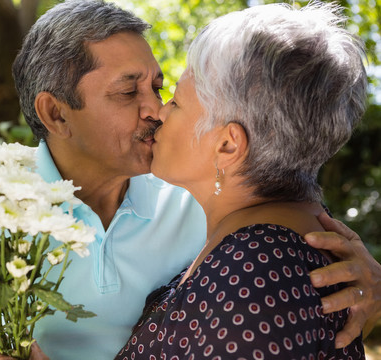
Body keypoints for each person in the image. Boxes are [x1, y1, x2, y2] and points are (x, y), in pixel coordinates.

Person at [0, 1, 381, 360]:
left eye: (161, 88)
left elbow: (283, 223)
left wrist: (371, 280)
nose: (156, 111)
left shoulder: (197, 196)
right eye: (127, 92)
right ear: (55, 113)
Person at [116, 2, 368, 358]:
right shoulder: (270, 249)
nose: (159, 110)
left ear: (227, 145)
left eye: (178, 101)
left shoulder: (253, 284)